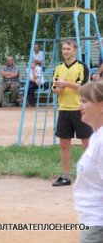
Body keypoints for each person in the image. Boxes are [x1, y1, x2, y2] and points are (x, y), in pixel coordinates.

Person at [51, 39, 93, 187]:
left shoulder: (82, 67)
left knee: (87, 144)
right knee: (64, 143)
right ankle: (65, 176)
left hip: (80, 110)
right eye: (63, 48)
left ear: (74, 50)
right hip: (64, 109)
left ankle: (91, 177)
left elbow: (83, 87)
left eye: (68, 48)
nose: (65, 51)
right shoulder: (58, 68)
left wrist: (65, 84)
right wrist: (58, 89)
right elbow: (55, 88)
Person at [73, 81, 103, 243]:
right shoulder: (96, 136)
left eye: (85, 101)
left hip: (97, 225)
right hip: (91, 222)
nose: (80, 106)